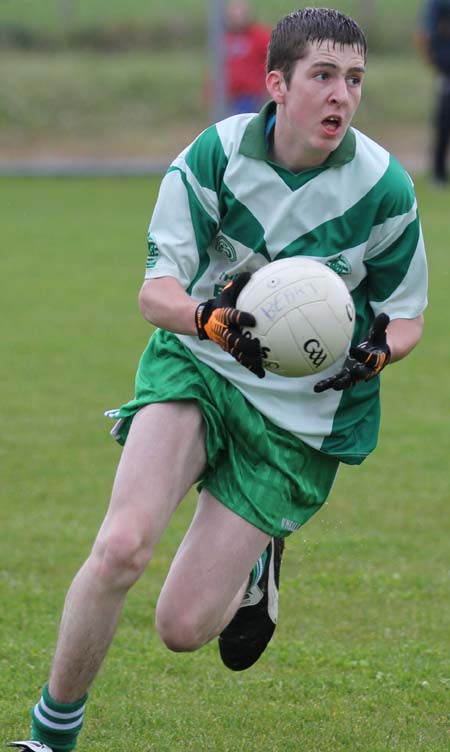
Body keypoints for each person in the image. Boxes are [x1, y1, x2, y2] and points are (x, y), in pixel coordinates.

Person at [9, 8, 428, 752]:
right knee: (123, 545)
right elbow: (155, 293)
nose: (342, 96)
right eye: (324, 77)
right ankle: (50, 736)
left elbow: (406, 316)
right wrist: (208, 320)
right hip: (203, 364)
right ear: (277, 84)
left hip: (298, 421)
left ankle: (259, 559)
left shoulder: (384, 188)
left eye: (355, 79)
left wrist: (381, 353)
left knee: (181, 629)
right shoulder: (215, 156)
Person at [416, 0, 450, 184]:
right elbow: (425, 35)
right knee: (444, 122)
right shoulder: (438, 3)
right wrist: (435, 63)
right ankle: (438, 173)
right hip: (447, 72)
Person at [223, 0, 271, 114]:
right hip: (226, 96)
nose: (237, 16)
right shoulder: (224, 38)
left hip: (250, 97)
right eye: (234, 13)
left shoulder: (260, 36)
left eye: (241, 12)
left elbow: (273, 59)